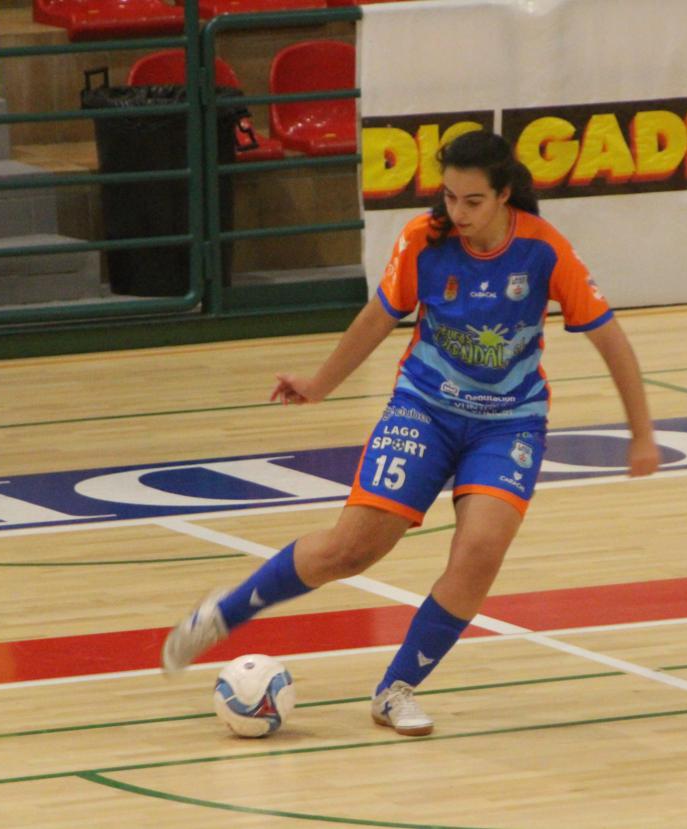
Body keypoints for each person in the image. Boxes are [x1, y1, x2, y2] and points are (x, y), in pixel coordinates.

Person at [162, 130, 660, 736]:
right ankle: (224, 613)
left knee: (480, 550)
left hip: (509, 422)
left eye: (473, 201)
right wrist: (320, 383)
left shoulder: (544, 250)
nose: (458, 212)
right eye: (449, 197)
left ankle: (395, 690)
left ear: (504, 195)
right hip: (424, 408)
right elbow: (378, 317)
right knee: (352, 550)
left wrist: (641, 434)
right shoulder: (424, 240)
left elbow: (612, 340)